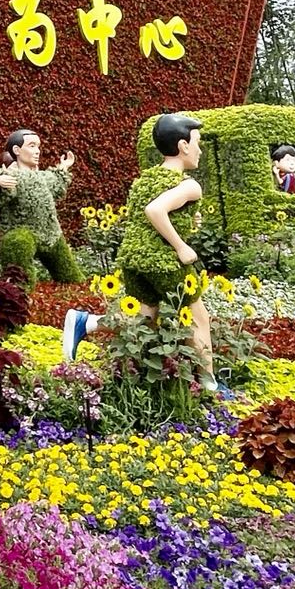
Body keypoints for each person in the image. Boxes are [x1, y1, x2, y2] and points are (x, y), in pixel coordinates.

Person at [63, 114, 224, 398]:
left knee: (143, 318)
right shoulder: (190, 185)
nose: (200, 150)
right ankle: (211, 386)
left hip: (134, 260)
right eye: (197, 143)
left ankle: (86, 323)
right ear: (183, 146)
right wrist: (181, 246)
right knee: (198, 318)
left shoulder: (145, 179)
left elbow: (146, 216)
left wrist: (187, 221)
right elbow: (155, 211)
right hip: (163, 262)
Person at [0, 129, 84, 285]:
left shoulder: (43, 177)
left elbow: (57, 181)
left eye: (38, 146)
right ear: (17, 150)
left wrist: (64, 166)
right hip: (25, 234)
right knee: (17, 242)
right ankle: (18, 288)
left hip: (52, 235)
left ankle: (77, 290)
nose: (37, 151)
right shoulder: (13, 176)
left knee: (73, 279)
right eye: (32, 146)